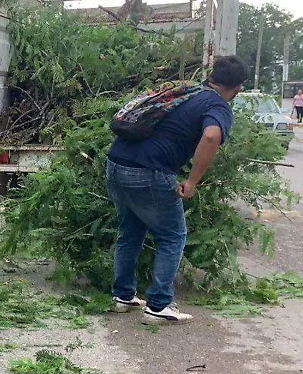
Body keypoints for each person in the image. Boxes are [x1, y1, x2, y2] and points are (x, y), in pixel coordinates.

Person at [105, 56, 249, 326]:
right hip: (149, 171)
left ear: (212, 76)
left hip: (116, 164)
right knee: (172, 235)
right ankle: (159, 306)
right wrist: (192, 181)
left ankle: (122, 297)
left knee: (131, 231)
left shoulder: (185, 91)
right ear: (238, 87)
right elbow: (211, 136)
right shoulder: (217, 105)